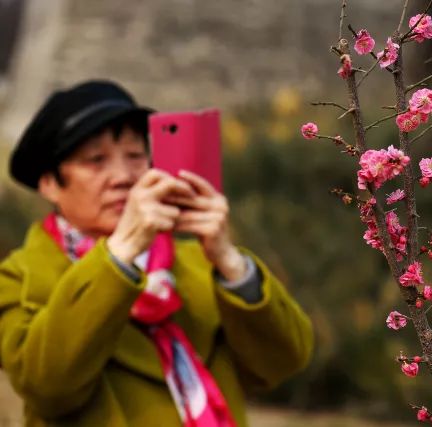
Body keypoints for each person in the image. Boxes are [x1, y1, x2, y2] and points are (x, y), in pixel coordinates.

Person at [0, 80, 314, 426]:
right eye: (95, 160)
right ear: (49, 183)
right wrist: (122, 252)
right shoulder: (18, 277)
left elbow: (283, 364)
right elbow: (47, 386)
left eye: (135, 156)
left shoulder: (197, 263)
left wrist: (230, 262)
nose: (123, 176)